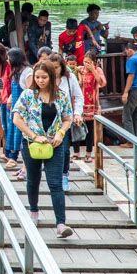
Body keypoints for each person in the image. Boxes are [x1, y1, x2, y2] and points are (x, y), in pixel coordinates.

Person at [11, 61, 74, 238]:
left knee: (55, 183)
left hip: (55, 144)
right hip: (32, 144)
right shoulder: (28, 95)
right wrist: (34, 135)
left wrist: (61, 133)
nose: (40, 80)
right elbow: (17, 119)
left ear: (52, 78)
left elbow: (67, 118)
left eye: (44, 77)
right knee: (33, 179)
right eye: (37, 77)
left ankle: (61, 224)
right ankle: (34, 210)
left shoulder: (61, 96)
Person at [52, 53, 85, 192]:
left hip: (65, 120)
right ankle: (54, 176)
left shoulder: (69, 78)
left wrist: (77, 113)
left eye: (56, 68)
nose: (54, 71)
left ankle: (64, 174)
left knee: (65, 150)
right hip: (48, 121)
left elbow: (78, 97)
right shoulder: (45, 78)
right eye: (51, 68)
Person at [74, 52, 107, 161]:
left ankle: (88, 153)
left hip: (92, 103)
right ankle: (76, 152)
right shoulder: (80, 70)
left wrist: (92, 69)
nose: (86, 64)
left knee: (90, 128)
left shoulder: (97, 70)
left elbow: (102, 83)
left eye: (89, 62)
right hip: (80, 103)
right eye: (85, 62)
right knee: (77, 126)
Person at [5, 48, 32, 174]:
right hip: (17, 109)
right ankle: (20, 164)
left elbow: (31, 93)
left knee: (24, 139)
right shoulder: (17, 71)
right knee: (17, 137)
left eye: (8, 58)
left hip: (25, 112)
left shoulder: (28, 72)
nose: (7, 60)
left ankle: (26, 168)